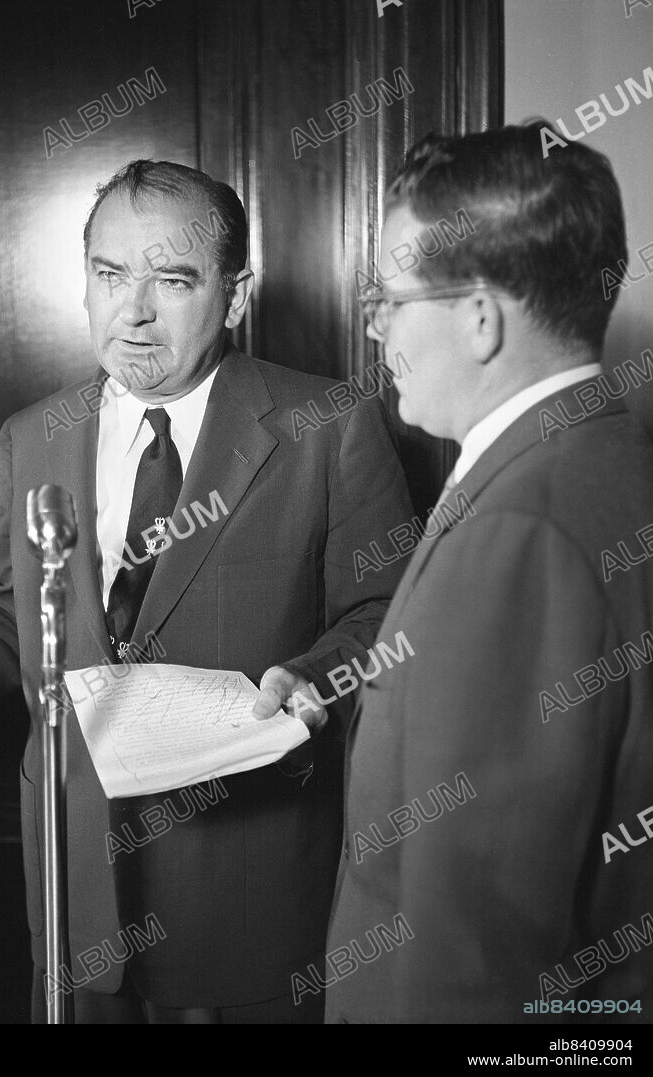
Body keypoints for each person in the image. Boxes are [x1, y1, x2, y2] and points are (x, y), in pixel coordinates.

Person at [0, 160, 412, 1023]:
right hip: (76, 892)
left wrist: (314, 677)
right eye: (108, 275)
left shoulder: (326, 426)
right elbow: (10, 615)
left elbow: (385, 611)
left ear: (235, 293)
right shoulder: (31, 437)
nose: (131, 310)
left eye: (170, 280)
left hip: (243, 893)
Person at [321, 122, 653, 1023]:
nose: (376, 328)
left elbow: (471, 963)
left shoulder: (518, 534)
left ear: (479, 317)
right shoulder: (607, 457)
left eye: (389, 298)